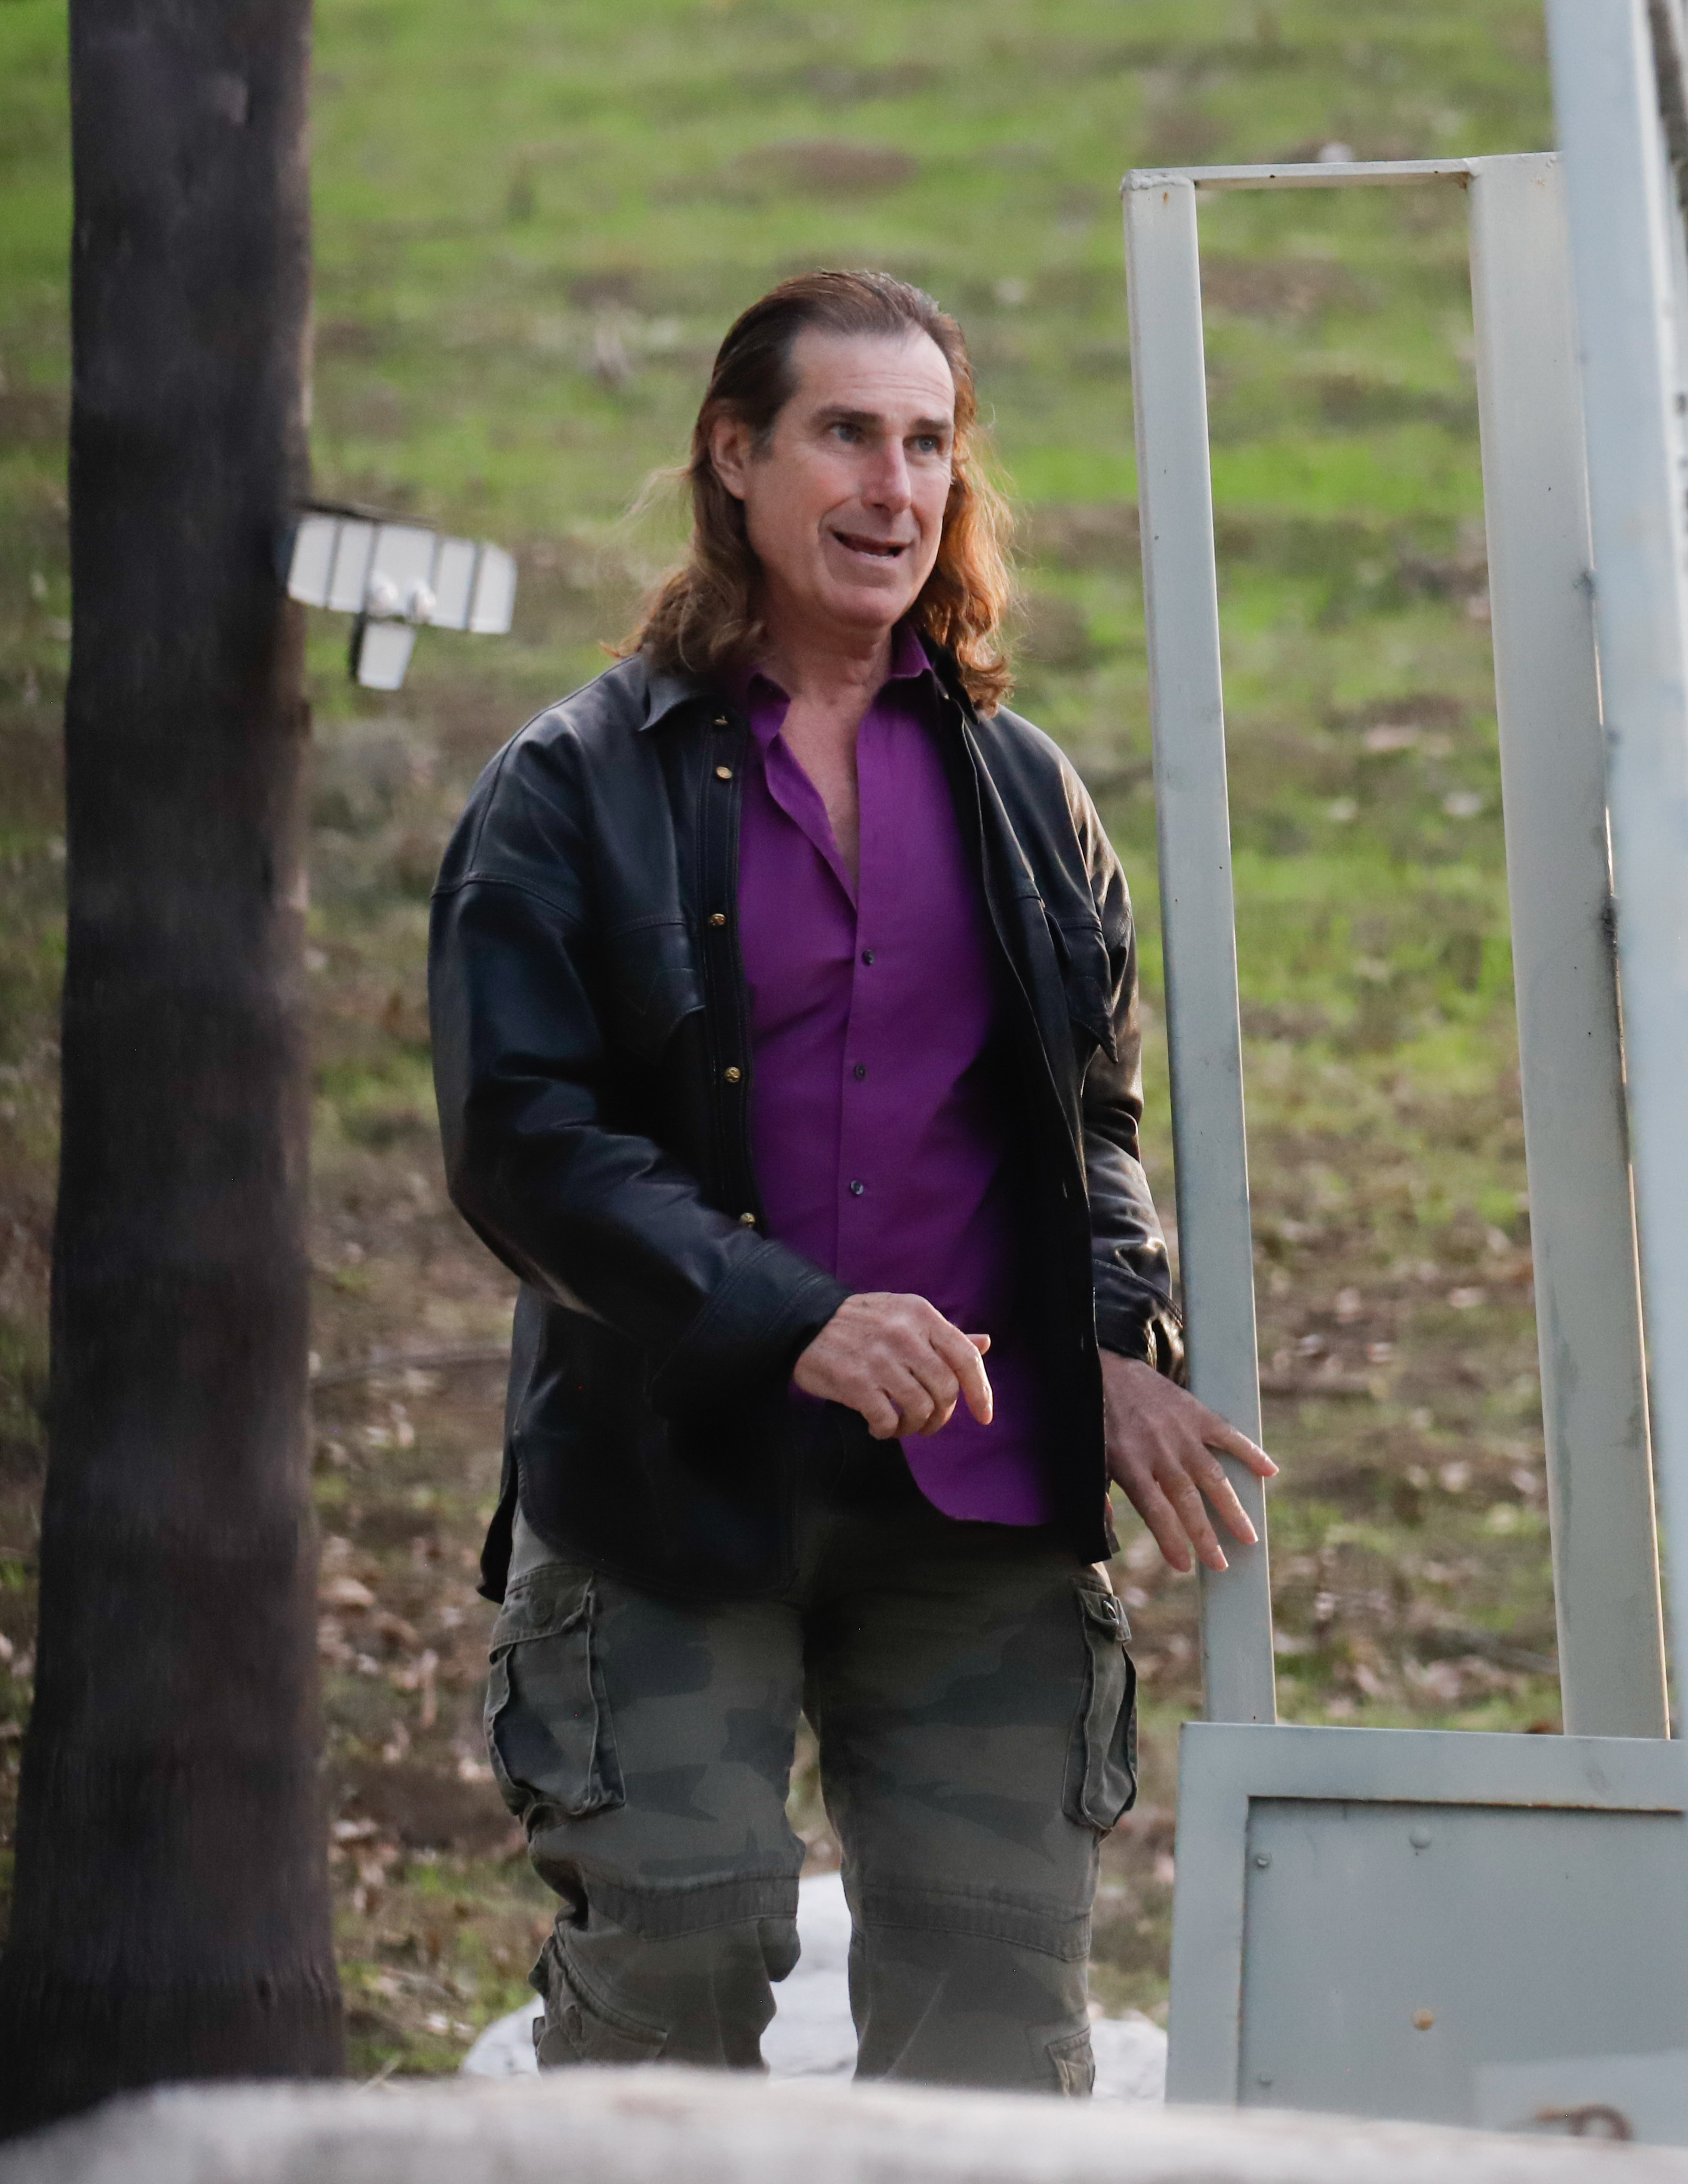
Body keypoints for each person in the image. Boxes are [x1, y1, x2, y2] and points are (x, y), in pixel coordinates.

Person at [428, 269, 1276, 2095]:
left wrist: (1119, 1338)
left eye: (929, 444)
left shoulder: (1026, 790)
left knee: (996, 2017)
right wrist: (794, 1320)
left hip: (976, 1497)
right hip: (671, 1481)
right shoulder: (569, 790)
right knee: (680, 1955)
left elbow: (1092, 1126)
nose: (896, 487)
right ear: (734, 459)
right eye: (845, 436)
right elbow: (523, 1147)